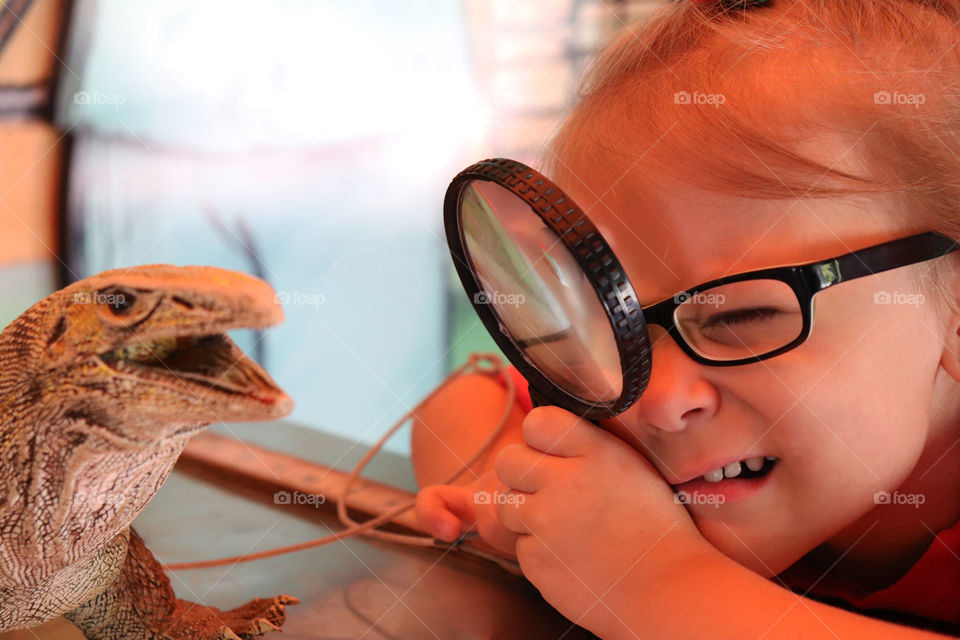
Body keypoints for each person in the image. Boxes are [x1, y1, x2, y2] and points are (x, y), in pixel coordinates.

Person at [412, 0, 960, 637]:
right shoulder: (653, 416)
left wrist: (651, 579)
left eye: (741, 316)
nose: (657, 402)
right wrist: (537, 495)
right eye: (615, 322)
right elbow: (463, 403)